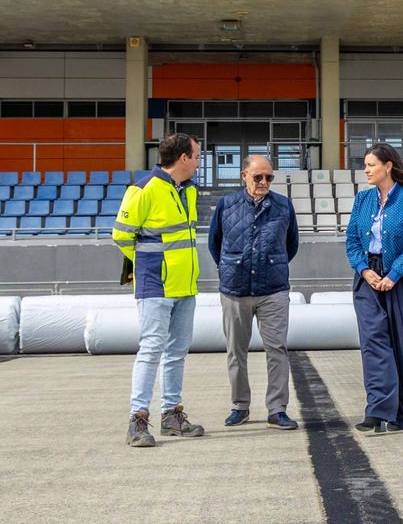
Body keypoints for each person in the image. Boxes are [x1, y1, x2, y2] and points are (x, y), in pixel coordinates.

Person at [112, 133, 206, 448]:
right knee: (151, 350)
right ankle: (138, 420)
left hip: (185, 285)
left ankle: (171, 415)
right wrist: (148, 265)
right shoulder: (143, 190)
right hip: (155, 285)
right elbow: (121, 236)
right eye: (196, 156)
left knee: (177, 352)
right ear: (183, 158)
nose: (198, 162)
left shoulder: (188, 191)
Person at [207, 153, 300, 430]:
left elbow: (291, 245)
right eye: (258, 176)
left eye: (269, 177)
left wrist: (272, 265)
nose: (263, 181)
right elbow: (215, 245)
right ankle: (240, 406)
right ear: (244, 175)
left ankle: (277, 409)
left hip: (273, 290)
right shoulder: (226, 205)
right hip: (235, 290)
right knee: (236, 351)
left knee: (277, 350)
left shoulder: (284, 206)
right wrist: (230, 268)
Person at [344, 143, 403, 434]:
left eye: (370, 164)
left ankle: (401, 414)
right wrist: (364, 270)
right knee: (373, 341)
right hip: (367, 277)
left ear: (388, 166)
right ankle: (377, 409)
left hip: (401, 280)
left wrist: (393, 275)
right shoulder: (362, 199)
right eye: (365, 165)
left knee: (401, 343)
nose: (366, 170)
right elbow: (352, 242)